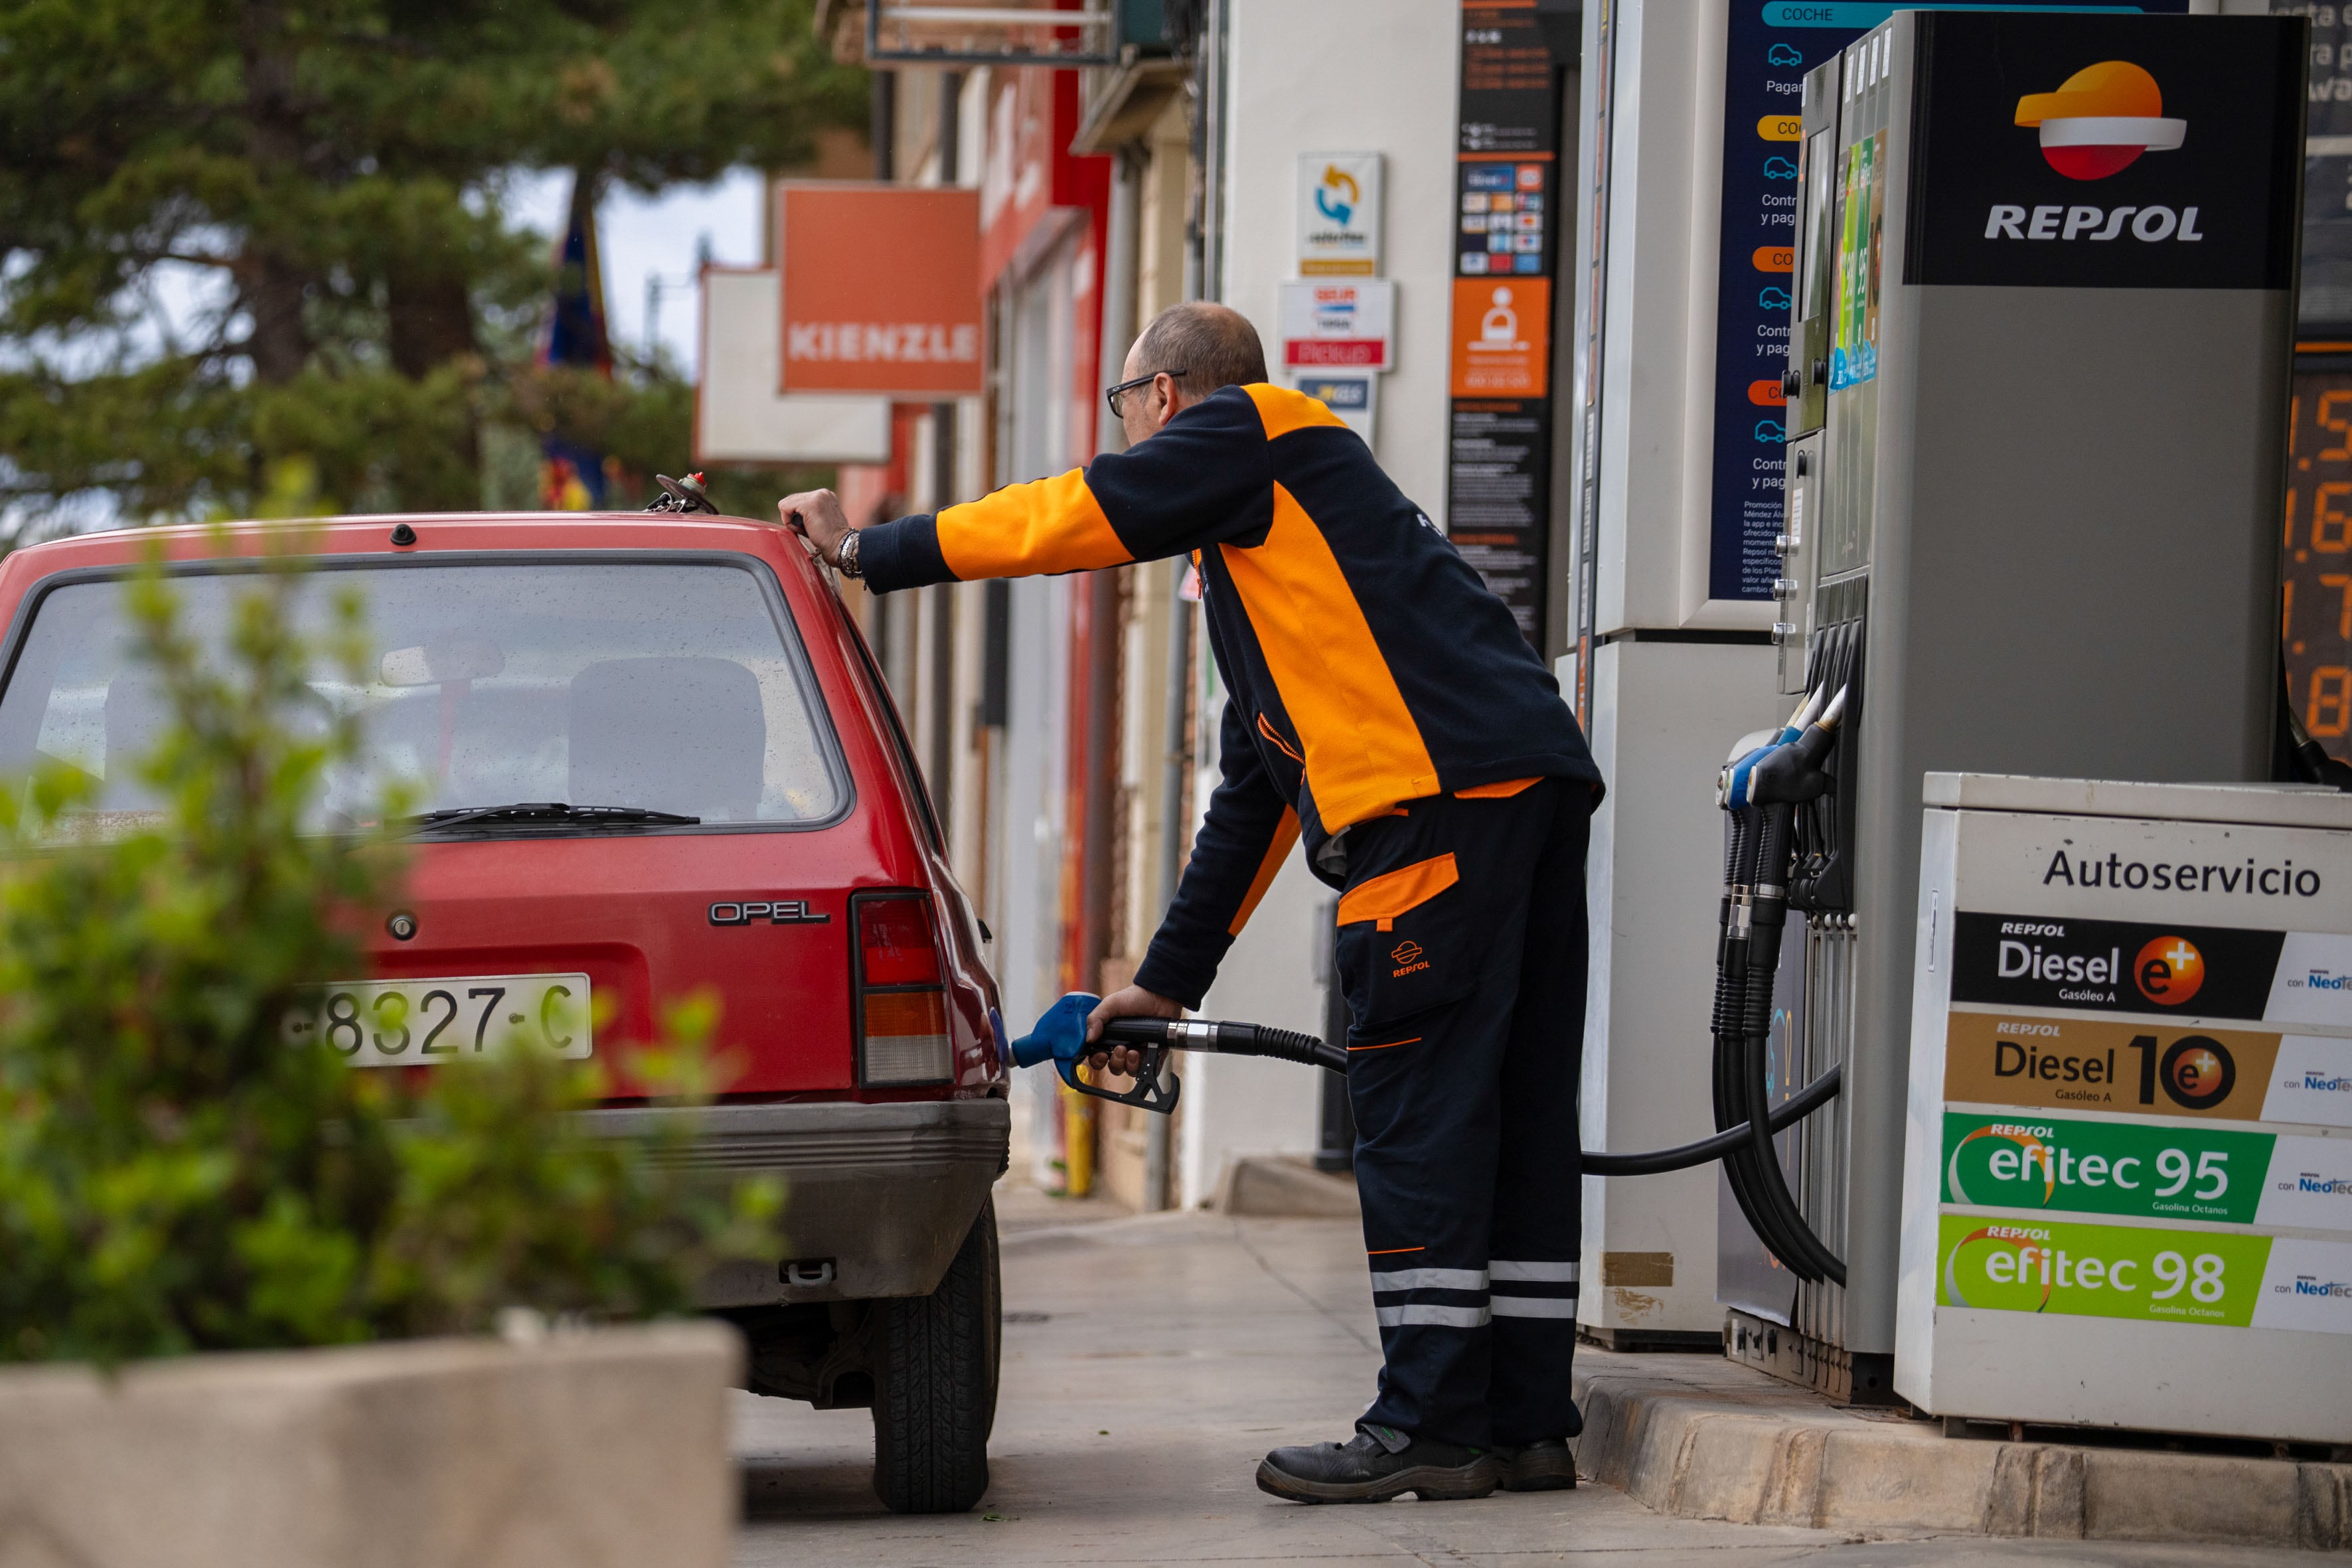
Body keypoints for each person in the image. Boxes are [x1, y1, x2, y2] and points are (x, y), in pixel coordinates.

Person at [779, 301, 1604, 1505]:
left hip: (1436, 813)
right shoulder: (1281, 559)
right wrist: (1167, 983)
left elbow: (1079, 514)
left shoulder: (1255, 432)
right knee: (1512, 1115)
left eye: (1124, 408)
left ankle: (1430, 1423)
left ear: (1164, 398)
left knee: (1420, 1113)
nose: (1124, 435)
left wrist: (867, 554)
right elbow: (1257, 793)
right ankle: (1526, 1424)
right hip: (1520, 791)